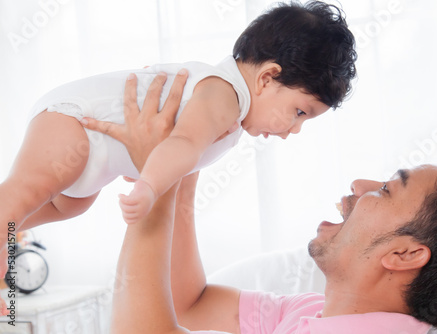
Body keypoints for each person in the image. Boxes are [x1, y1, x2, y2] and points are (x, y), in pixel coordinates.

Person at [103, 73, 437, 333]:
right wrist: (183, 166)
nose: (359, 185)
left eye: (386, 190)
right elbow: (190, 304)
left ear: (405, 253)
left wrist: (152, 187)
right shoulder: (319, 314)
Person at [0, 0, 357, 282]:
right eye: (299, 112)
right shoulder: (223, 93)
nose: (294, 130)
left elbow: (180, 155)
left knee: (69, 206)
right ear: (267, 78)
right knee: (27, 193)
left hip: (96, 157)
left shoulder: (231, 116)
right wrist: (150, 187)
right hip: (76, 124)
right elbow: (184, 142)